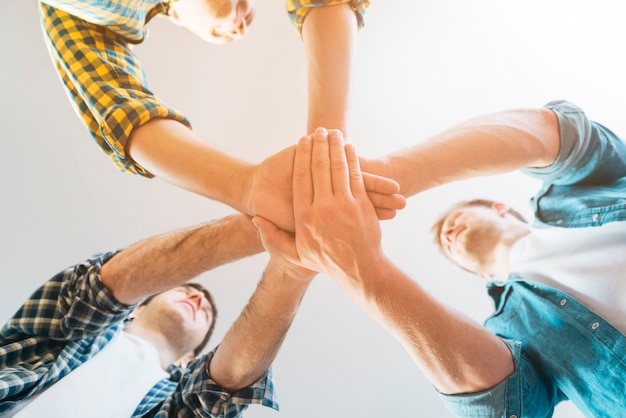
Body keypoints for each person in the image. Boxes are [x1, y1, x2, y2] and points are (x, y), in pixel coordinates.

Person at [255, 100, 626, 417]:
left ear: (501, 208)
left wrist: (388, 176)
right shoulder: (509, 330)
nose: (449, 235)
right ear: (482, 276)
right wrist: (362, 269)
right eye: (448, 246)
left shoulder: (574, 193)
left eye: (456, 219)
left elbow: (557, 133)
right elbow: (501, 404)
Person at [37, 0, 402, 231]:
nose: (242, 23)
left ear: (177, 15)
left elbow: (123, 113)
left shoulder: (86, 15)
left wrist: (252, 187)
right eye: (243, 6)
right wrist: (329, 137)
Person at [0, 213, 315, 417]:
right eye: (185, 291)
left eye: (204, 309)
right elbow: (101, 289)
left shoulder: (170, 401)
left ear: (188, 359)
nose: (197, 296)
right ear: (136, 309)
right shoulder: (66, 332)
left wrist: (291, 268)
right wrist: (264, 222)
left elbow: (219, 394)